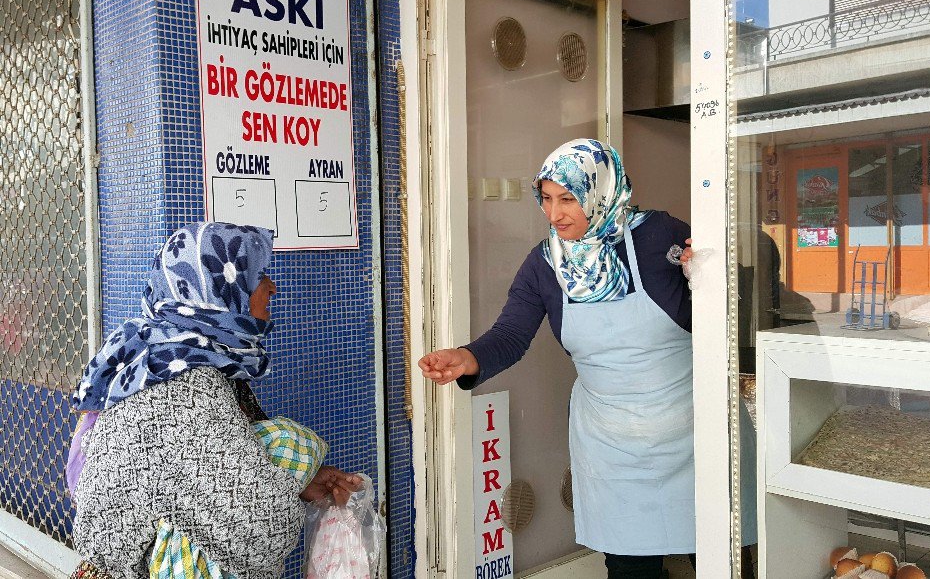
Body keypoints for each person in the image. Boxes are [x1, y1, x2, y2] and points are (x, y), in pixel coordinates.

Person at [419, 139, 757, 578]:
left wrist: (708, 277)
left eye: (568, 198)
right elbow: (511, 335)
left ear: (601, 191)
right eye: (545, 199)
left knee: (723, 561)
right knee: (629, 565)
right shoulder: (543, 266)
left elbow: (730, 294)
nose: (555, 214)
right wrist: (466, 357)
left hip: (698, 430)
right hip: (612, 444)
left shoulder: (660, 236)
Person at [66, 222, 361, 579]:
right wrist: (288, 475)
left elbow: (199, 482)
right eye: (257, 275)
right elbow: (258, 534)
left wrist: (298, 484)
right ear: (217, 291)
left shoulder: (170, 362)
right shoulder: (185, 388)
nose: (272, 287)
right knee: (288, 440)